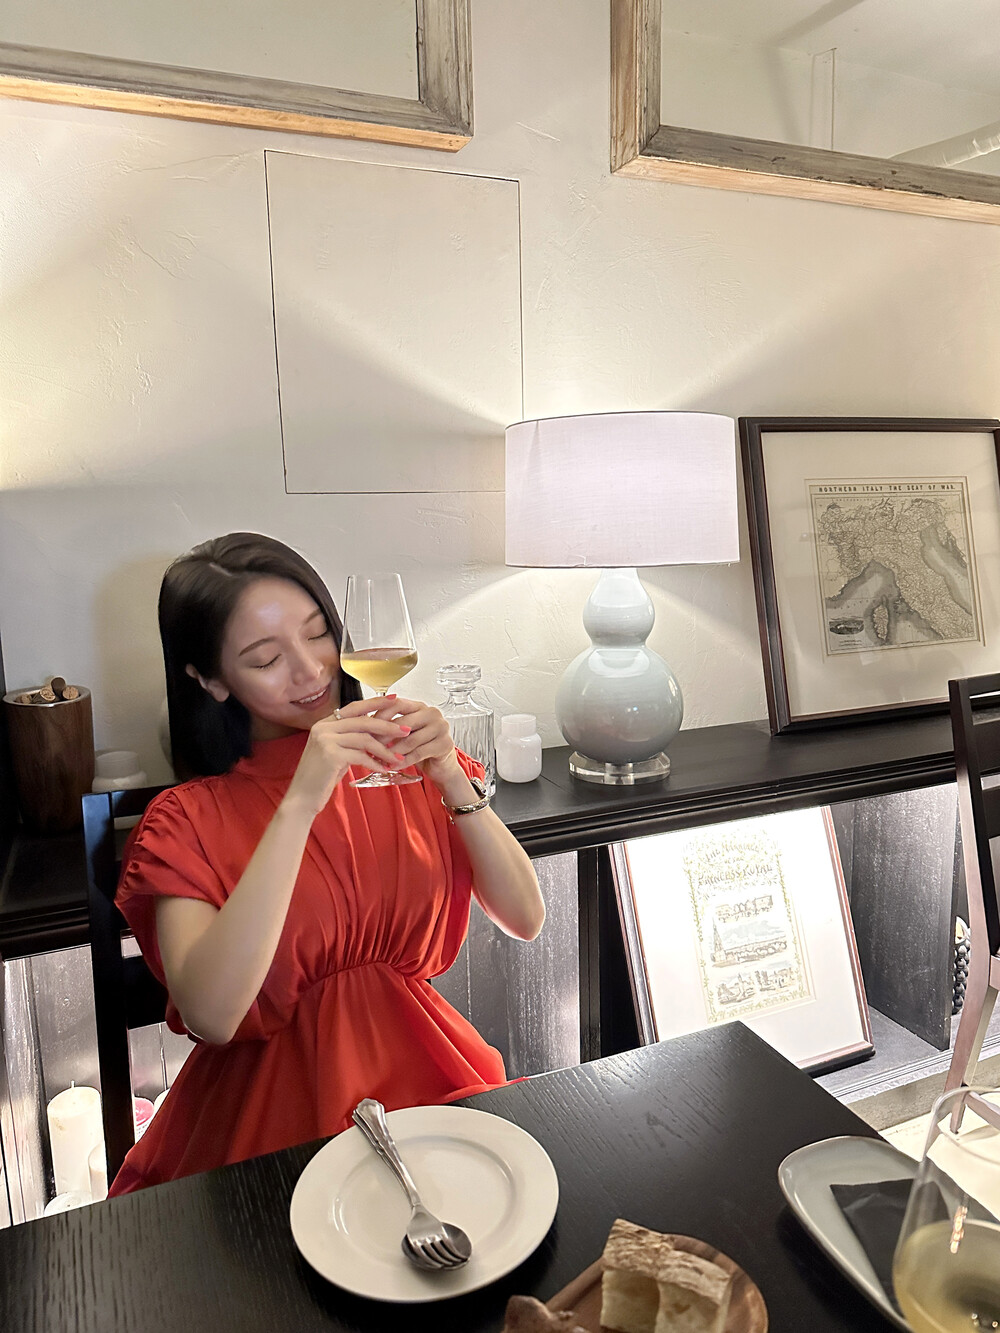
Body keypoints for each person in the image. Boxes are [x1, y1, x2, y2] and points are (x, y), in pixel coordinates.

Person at [108, 532, 544, 1195]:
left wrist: (451, 775)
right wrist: (300, 801)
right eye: (265, 658)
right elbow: (212, 1016)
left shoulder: (396, 762)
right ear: (210, 679)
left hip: (431, 1085)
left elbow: (525, 917)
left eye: (318, 634)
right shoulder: (185, 819)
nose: (311, 670)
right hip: (270, 1125)